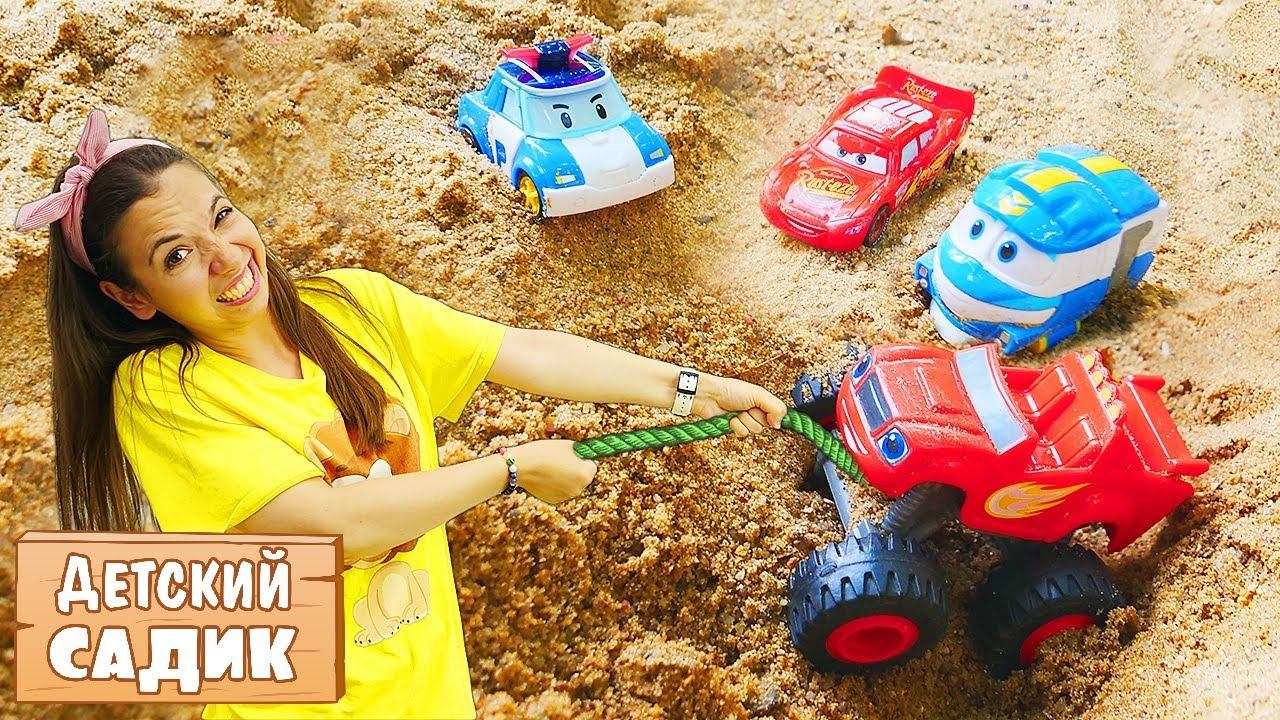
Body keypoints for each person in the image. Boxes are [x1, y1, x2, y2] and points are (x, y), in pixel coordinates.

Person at [15, 109, 788, 719]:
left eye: (222, 216)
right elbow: (329, 526)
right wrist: (509, 471)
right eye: (176, 255)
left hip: (431, 694)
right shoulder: (162, 392)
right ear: (130, 296)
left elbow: (521, 352)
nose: (226, 256)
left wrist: (691, 389)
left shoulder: (353, 305)